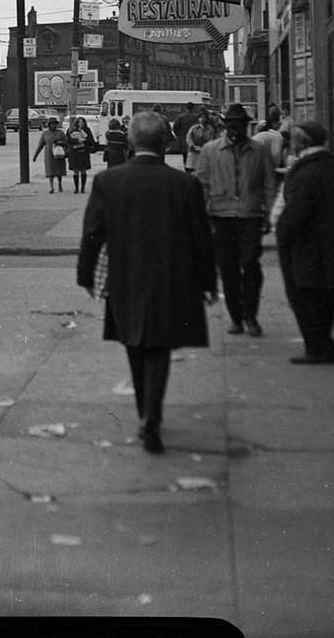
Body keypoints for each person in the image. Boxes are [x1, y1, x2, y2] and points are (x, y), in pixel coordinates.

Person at [77, 111, 217, 455]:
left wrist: (86, 275)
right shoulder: (184, 184)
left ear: (132, 142)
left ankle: (146, 413)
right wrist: (208, 281)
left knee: (134, 345)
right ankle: (151, 416)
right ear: (166, 142)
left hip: (125, 278)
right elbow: (202, 238)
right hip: (172, 279)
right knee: (160, 350)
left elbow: (93, 233)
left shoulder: (108, 182)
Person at [276, 121, 334, 363]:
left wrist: (282, 235)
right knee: (325, 298)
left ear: (300, 143)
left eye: (293, 140)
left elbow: (293, 216)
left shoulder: (305, 173)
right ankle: (324, 346)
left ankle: (318, 349)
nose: (290, 144)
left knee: (305, 300)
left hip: (308, 249)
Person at [194, 103, 278, 337]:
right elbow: (201, 185)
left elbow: (269, 185)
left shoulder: (259, 151)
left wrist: (270, 214)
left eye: (240, 125)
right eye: (231, 125)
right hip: (220, 217)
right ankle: (236, 318)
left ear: (246, 126)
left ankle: (250, 315)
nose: (236, 129)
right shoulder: (211, 151)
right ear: (225, 125)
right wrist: (203, 217)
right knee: (228, 269)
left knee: (251, 266)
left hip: (250, 216)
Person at [33, 117, 67, 193]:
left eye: (55, 124)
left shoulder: (60, 132)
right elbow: (40, 145)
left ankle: (60, 184)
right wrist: (35, 156)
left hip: (59, 153)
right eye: (52, 124)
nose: (54, 125)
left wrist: (60, 142)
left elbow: (66, 142)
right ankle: (51, 187)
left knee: (59, 170)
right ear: (49, 125)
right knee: (50, 171)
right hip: (49, 154)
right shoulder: (45, 133)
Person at [66, 116, 97, 193]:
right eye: (79, 122)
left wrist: (85, 140)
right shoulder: (71, 130)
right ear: (76, 123)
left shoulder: (87, 130)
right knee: (75, 171)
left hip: (84, 152)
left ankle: (83, 187)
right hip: (74, 153)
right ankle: (76, 188)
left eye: (82, 122)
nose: (81, 123)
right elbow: (68, 141)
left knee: (83, 170)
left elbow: (91, 141)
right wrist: (77, 140)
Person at [184, 108, 215, 175]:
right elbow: (188, 138)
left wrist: (203, 148)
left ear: (207, 119)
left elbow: (211, 140)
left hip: (204, 152)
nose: (202, 119)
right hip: (193, 151)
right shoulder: (193, 128)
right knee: (191, 171)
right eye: (201, 117)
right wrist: (193, 146)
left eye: (204, 118)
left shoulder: (210, 129)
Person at [171, 103, 201, 172]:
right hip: (194, 141)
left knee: (185, 157)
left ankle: (187, 171)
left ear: (186, 108)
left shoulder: (181, 117)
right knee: (194, 158)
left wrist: (178, 135)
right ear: (193, 108)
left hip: (183, 141)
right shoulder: (196, 117)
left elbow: (175, 127)